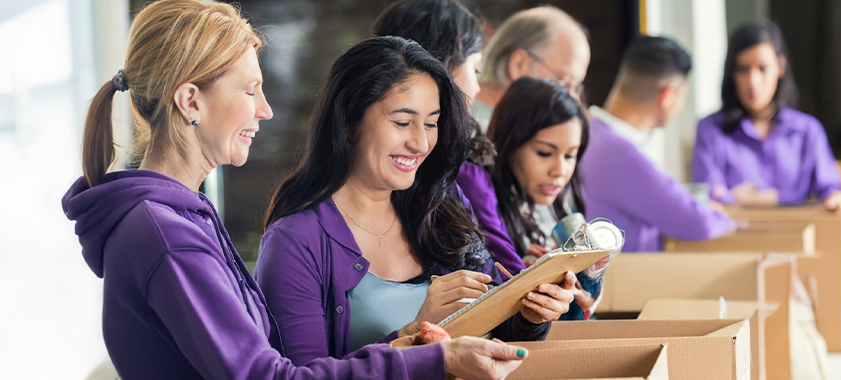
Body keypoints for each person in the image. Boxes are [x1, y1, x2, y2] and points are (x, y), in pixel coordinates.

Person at [62, 2, 527, 379]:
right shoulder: (165, 236)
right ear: (190, 101)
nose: (264, 110)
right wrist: (435, 358)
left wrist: (416, 342)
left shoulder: (183, 218)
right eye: (250, 90)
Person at [256, 36, 575, 365]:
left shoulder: (441, 206)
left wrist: (531, 314)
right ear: (349, 122)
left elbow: (499, 330)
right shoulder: (294, 242)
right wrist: (418, 332)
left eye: (431, 123)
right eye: (402, 123)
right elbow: (301, 375)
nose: (421, 143)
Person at [372, 0, 525, 275]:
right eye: (475, 69)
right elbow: (509, 276)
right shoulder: (455, 172)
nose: (477, 87)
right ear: (443, 67)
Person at [692, 21, 841, 241]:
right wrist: (781, 199)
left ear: (780, 66)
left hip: (795, 243)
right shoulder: (711, 130)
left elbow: (830, 187)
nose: (753, 81)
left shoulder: (807, 130)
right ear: (731, 73)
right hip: (734, 245)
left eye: (762, 68)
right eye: (743, 69)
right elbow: (709, 198)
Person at [579, 35, 737, 253]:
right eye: (682, 96)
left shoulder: (591, 134)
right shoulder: (619, 153)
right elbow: (697, 222)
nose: (681, 107)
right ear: (668, 95)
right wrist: (721, 215)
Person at [483, 77, 599, 319]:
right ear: (510, 143)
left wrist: (584, 293)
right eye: (545, 153)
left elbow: (588, 302)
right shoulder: (482, 203)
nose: (559, 171)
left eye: (570, 155)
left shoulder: (560, 199)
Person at [473, 6, 591, 131]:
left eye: (576, 88)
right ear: (520, 65)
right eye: (565, 82)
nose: (572, 98)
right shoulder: (473, 136)